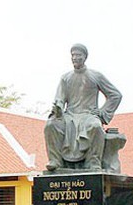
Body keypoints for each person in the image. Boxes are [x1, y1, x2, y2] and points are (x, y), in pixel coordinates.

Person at [44, 43, 122, 171]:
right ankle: (55, 160)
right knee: (50, 125)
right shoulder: (65, 78)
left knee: (96, 127)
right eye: (73, 55)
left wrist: (103, 112)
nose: (75, 58)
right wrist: (58, 108)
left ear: (85, 57)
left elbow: (115, 95)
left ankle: (93, 161)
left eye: (78, 55)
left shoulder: (96, 76)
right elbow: (60, 99)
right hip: (69, 115)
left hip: (88, 115)